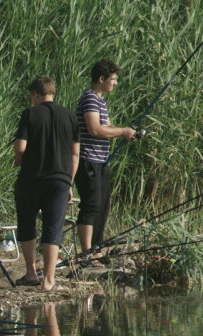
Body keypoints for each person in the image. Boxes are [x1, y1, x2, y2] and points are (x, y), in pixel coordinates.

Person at [13, 76, 80, 291]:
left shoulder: (30, 114)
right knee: (53, 227)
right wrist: (69, 182)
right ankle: (49, 280)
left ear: (35, 94)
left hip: (31, 178)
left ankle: (31, 273)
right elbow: (75, 153)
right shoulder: (70, 116)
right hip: (60, 179)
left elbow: (20, 147)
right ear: (53, 92)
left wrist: (19, 160)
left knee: (27, 223)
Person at [74, 59, 137, 263]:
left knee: (102, 205)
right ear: (102, 79)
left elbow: (108, 128)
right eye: (113, 79)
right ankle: (86, 254)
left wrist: (126, 133)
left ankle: (97, 249)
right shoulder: (90, 99)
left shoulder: (100, 101)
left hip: (101, 161)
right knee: (91, 205)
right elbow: (95, 129)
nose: (115, 83)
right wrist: (122, 131)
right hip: (88, 160)